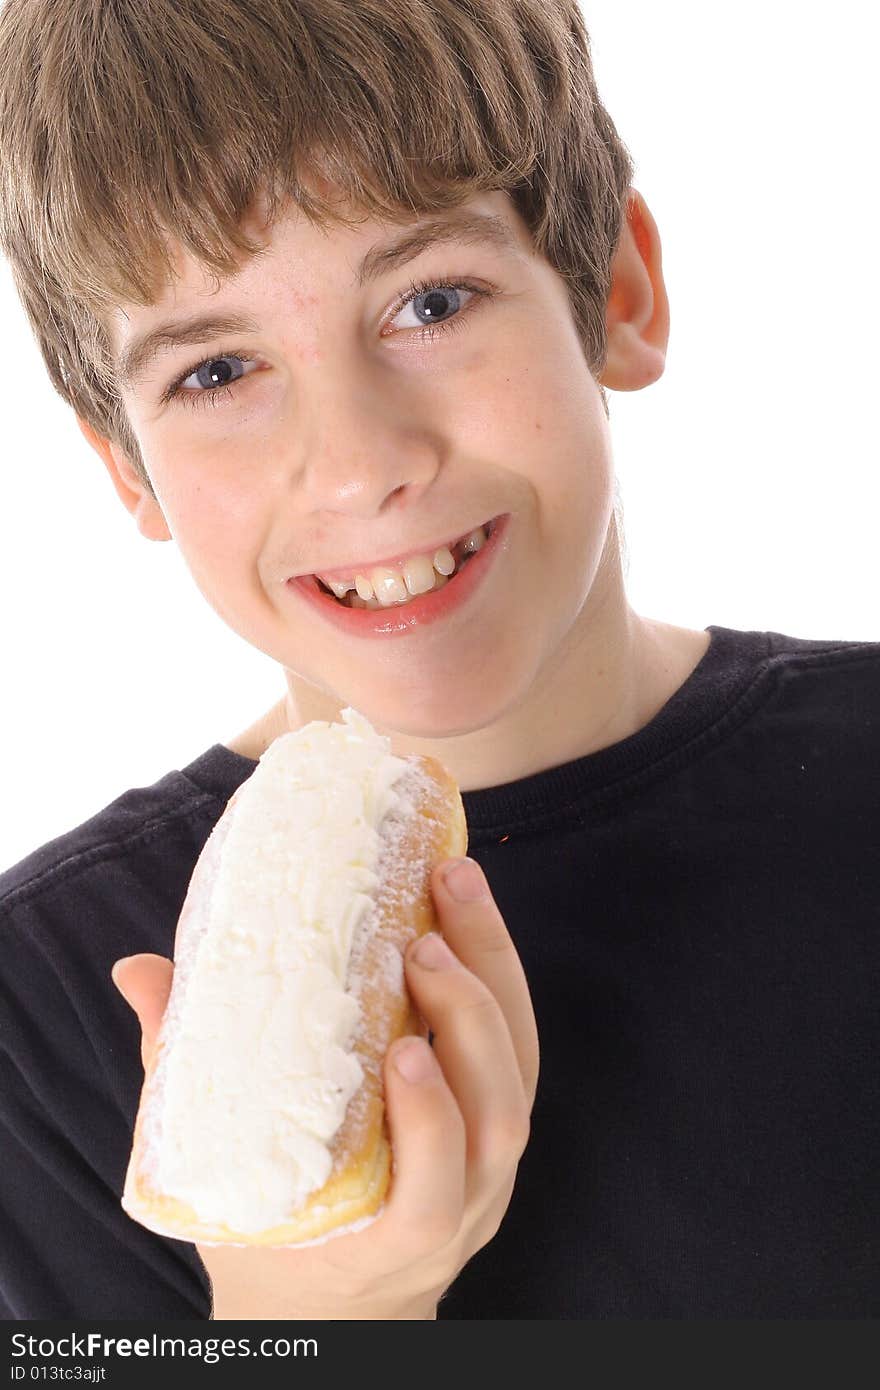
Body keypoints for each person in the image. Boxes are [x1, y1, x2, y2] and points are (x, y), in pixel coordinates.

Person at [0, 0, 876, 1321]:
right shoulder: (42, 1015)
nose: (359, 465)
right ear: (126, 466)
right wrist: (304, 1333)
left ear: (618, 296)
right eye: (218, 369)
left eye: (430, 300)